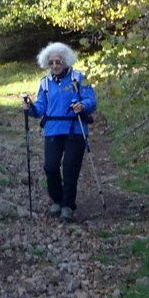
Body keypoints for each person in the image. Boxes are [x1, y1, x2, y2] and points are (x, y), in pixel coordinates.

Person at [22, 42, 96, 222]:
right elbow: (41, 107)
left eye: (58, 61)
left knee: (70, 169)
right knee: (51, 167)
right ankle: (57, 199)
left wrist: (83, 105)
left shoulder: (78, 78)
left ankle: (68, 205)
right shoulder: (45, 83)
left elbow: (91, 100)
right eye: (51, 62)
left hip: (75, 129)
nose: (55, 65)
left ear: (66, 61)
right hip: (53, 130)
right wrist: (30, 108)